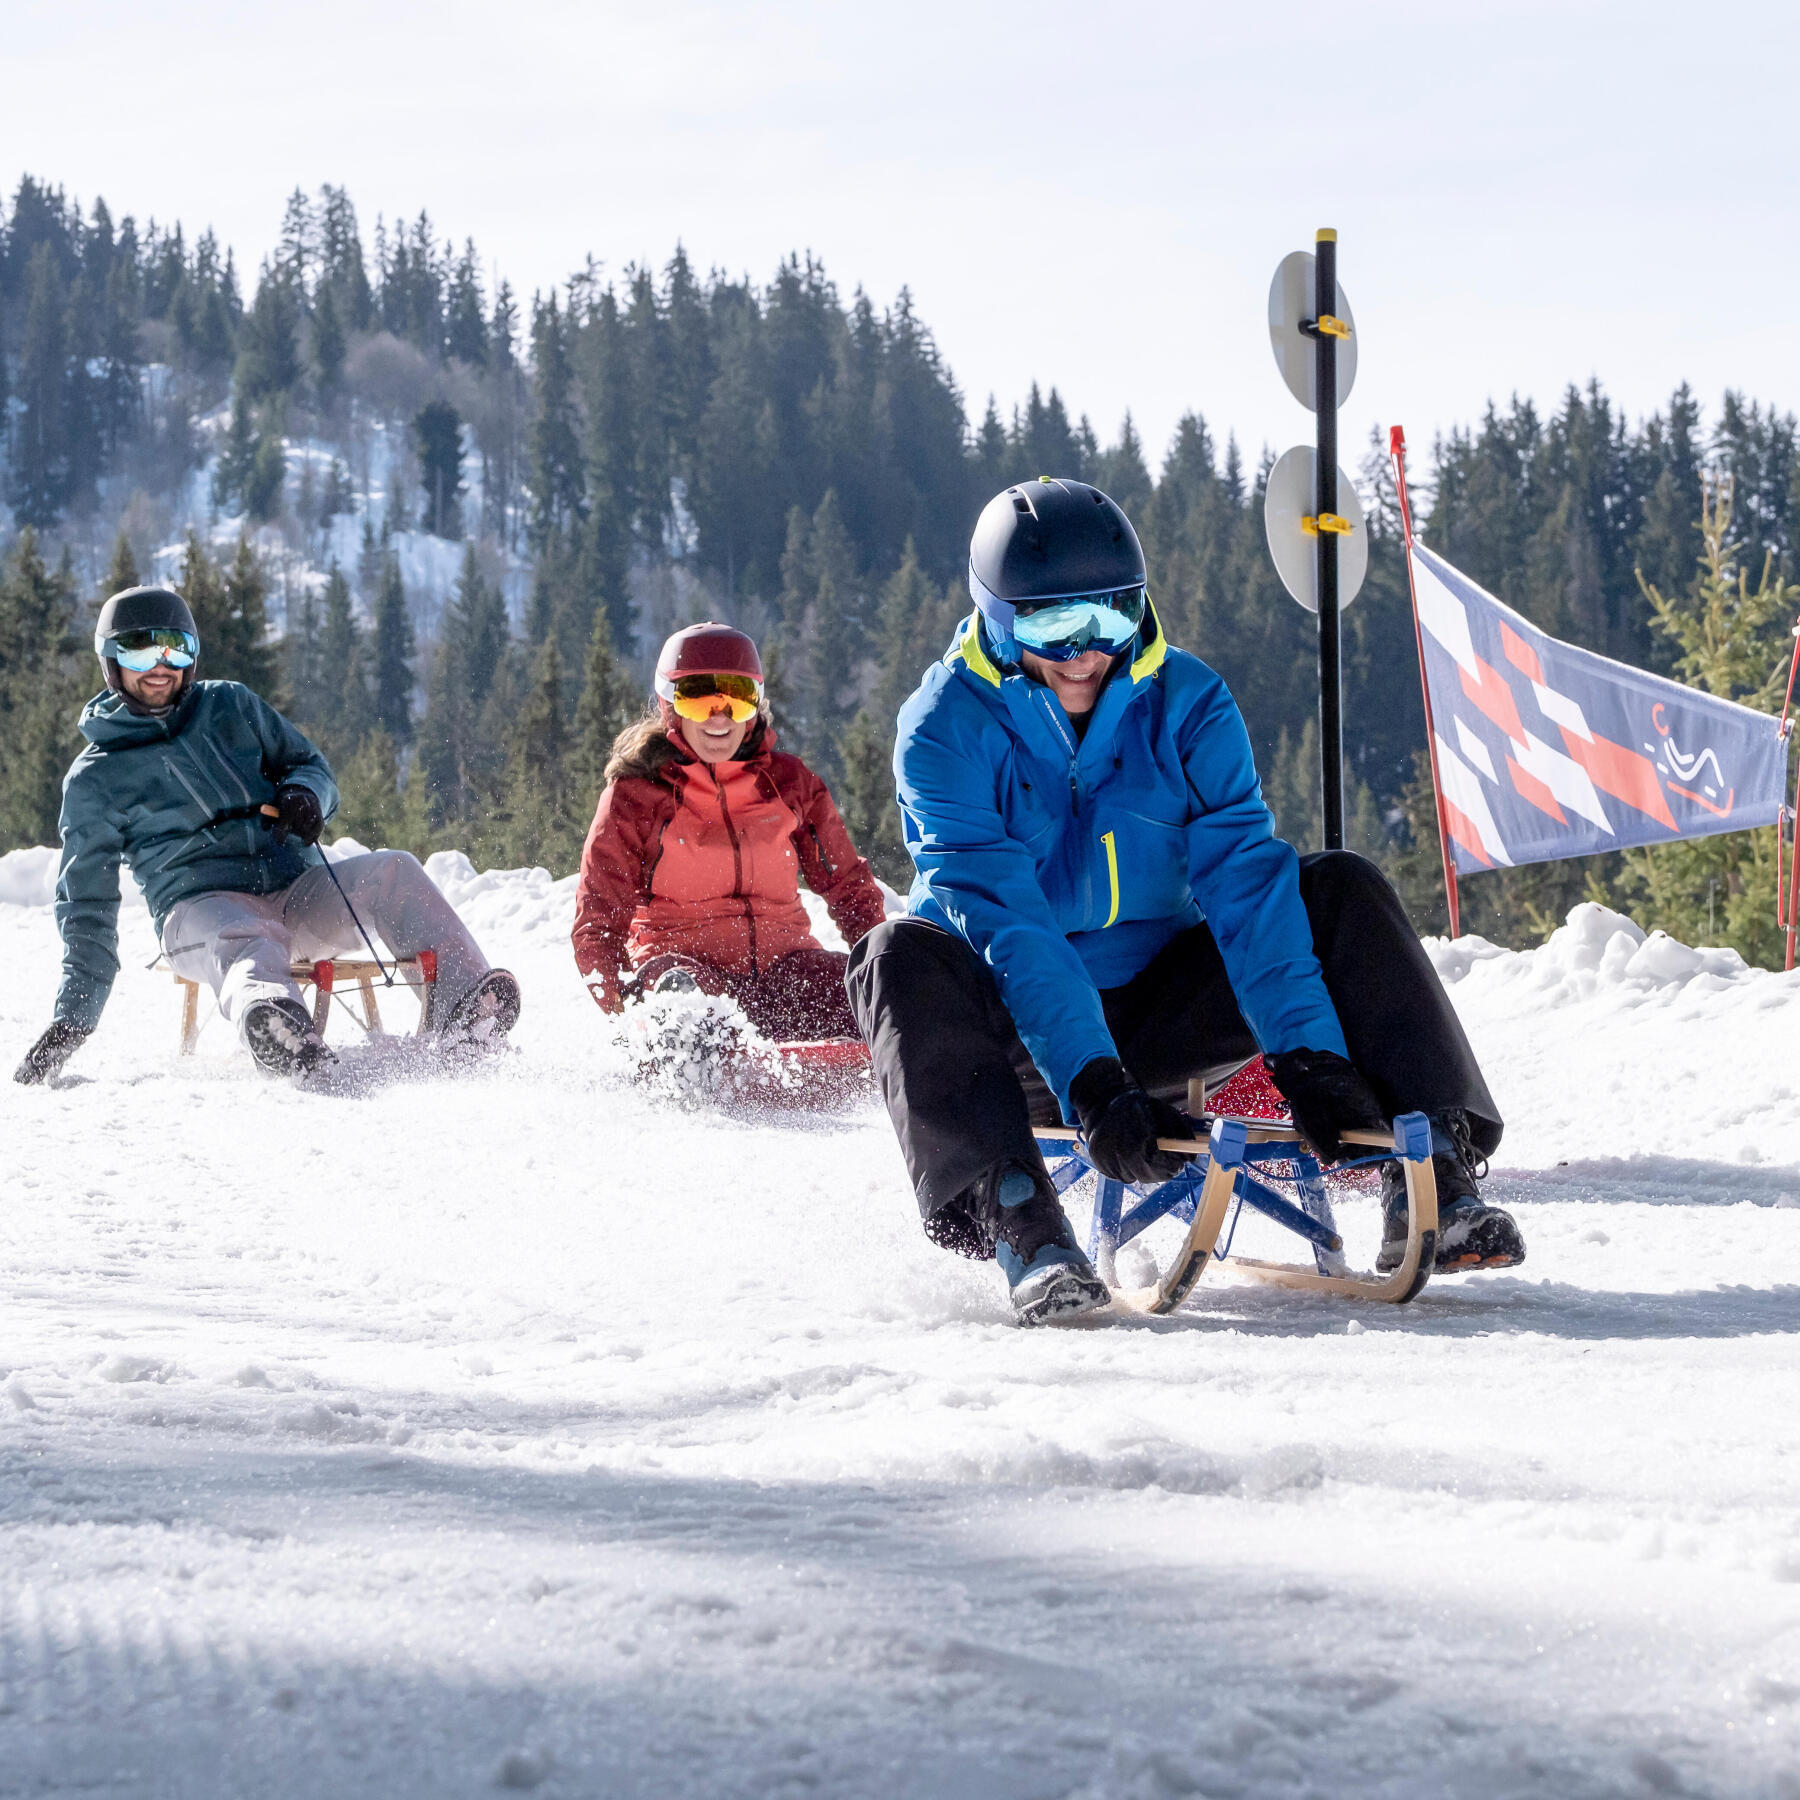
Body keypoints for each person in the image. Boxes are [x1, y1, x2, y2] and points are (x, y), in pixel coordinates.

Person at [847, 478, 1524, 1326]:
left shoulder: (1189, 701)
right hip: (1012, 1040)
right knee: (893, 953)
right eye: (1053, 625)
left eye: (1110, 619)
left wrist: (1308, 1057)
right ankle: (1020, 1217)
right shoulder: (943, 726)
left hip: (1164, 1017)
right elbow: (1007, 918)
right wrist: (1093, 1085)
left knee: (1336, 885)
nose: (1084, 652)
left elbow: (1244, 884)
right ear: (995, 618)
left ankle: (1434, 1174)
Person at [13, 584, 520, 1088]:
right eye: (140, 649)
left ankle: (468, 1012)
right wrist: (73, 1020)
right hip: (198, 912)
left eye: (175, 647)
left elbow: (310, 765)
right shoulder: (95, 777)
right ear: (110, 661)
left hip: (293, 889)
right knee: (246, 938)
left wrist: (307, 794)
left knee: (394, 871)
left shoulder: (230, 705)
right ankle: (276, 1025)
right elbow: (86, 903)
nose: (160, 664)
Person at [573, 621, 886, 1039]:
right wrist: (624, 1012)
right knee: (680, 995)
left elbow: (847, 885)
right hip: (687, 975)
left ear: (755, 705)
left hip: (784, 972)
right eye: (698, 701)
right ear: (670, 705)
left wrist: (883, 973)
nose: (719, 718)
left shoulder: (790, 783)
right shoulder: (638, 794)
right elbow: (598, 916)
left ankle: (881, 1050)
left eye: (736, 701)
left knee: (860, 992)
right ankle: (691, 1054)